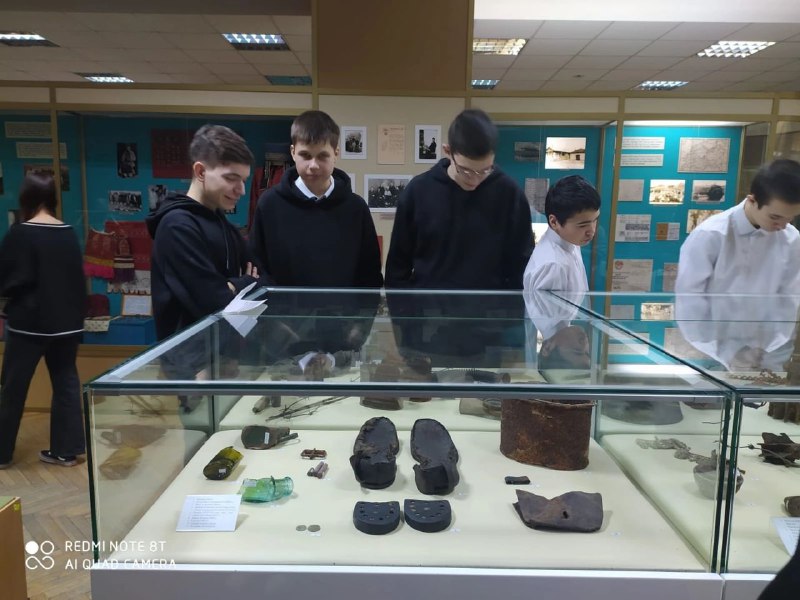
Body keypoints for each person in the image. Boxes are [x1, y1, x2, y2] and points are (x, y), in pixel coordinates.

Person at [385, 109, 533, 289]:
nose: (475, 180)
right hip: (427, 304)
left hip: (490, 304)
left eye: (485, 170)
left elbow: (522, 265)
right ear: (448, 151)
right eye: (466, 170)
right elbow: (397, 268)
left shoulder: (509, 194)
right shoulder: (418, 191)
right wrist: (402, 307)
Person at [0, 174, 86, 468]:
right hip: (67, 326)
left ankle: (2, 453)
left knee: (13, 388)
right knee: (66, 384)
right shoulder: (68, 232)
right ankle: (66, 451)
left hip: (28, 325)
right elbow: (77, 282)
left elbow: (7, 278)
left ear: (26, 198)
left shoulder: (20, 233)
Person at [147, 124, 260, 342]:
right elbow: (213, 301)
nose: (241, 190)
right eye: (231, 178)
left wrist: (234, 287)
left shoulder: (223, 224)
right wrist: (242, 283)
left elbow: (260, 278)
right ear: (201, 172)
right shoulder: (177, 226)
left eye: (243, 180)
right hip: (188, 356)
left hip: (223, 350)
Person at [249, 110, 383, 287]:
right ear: (293, 152)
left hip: (344, 305)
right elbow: (258, 267)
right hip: (282, 305)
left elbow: (370, 273)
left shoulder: (356, 207)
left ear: (336, 154)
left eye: (322, 156)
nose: (313, 165)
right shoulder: (269, 204)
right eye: (305, 155)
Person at [676, 159, 800, 294]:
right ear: (752, 200)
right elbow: (689, 294)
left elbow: (789, 295)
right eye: (775, 217)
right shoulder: (710, 234)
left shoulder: (792, 238)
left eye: (791, 217)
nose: (783, 226)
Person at [523, 175, 600, 293]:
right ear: (554, 222)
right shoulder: (553, 266)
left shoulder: (570, 241)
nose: (591, 231)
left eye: (595, 220)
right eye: (582, 225)